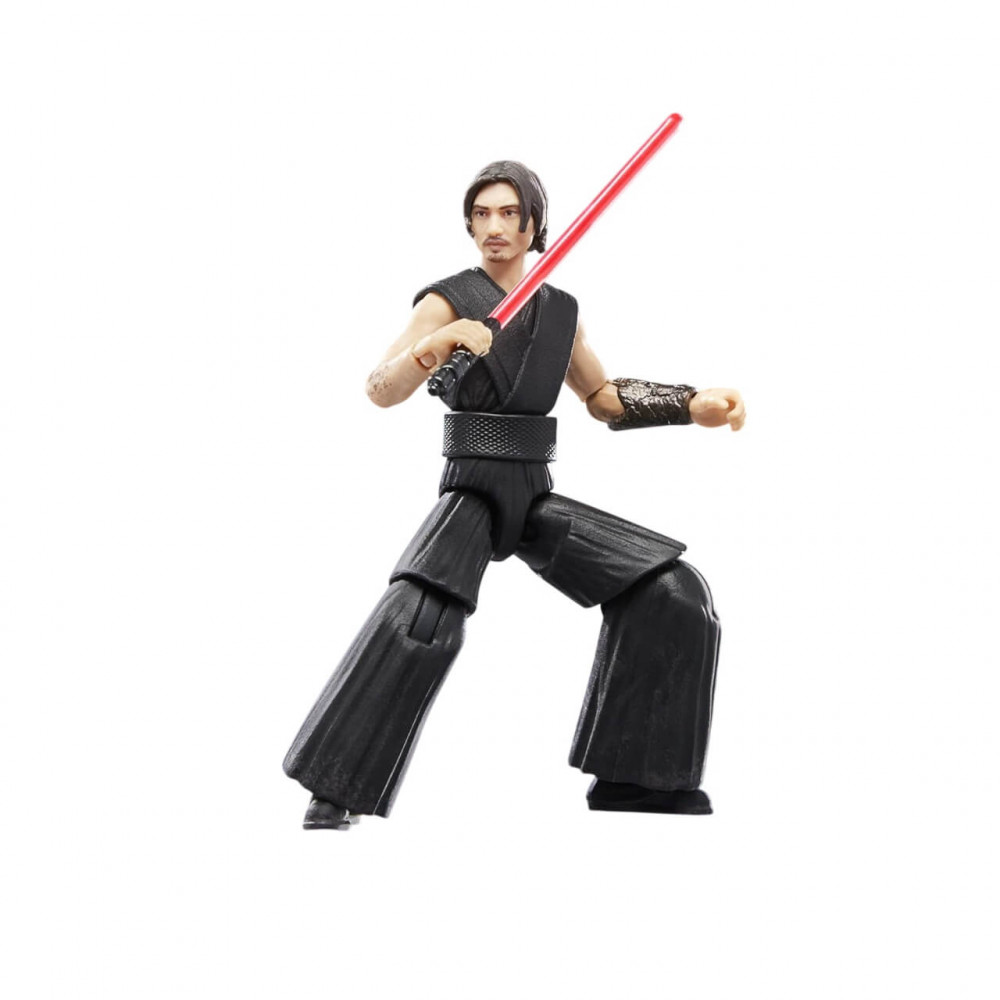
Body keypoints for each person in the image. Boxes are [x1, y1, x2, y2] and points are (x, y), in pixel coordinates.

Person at [284, 160, 746, 829]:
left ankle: (639, 779)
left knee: (672, 590)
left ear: (534, 225)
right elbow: (380, 388)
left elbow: (602, 396)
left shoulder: (559, 311)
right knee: (420, 625)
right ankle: (334, 786)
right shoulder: (447, 300)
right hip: (472, 490)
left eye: (508, 214)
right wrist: (435, 346)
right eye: (481, 214)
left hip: (531, 492)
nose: (494, 227)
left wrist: (688, 403)